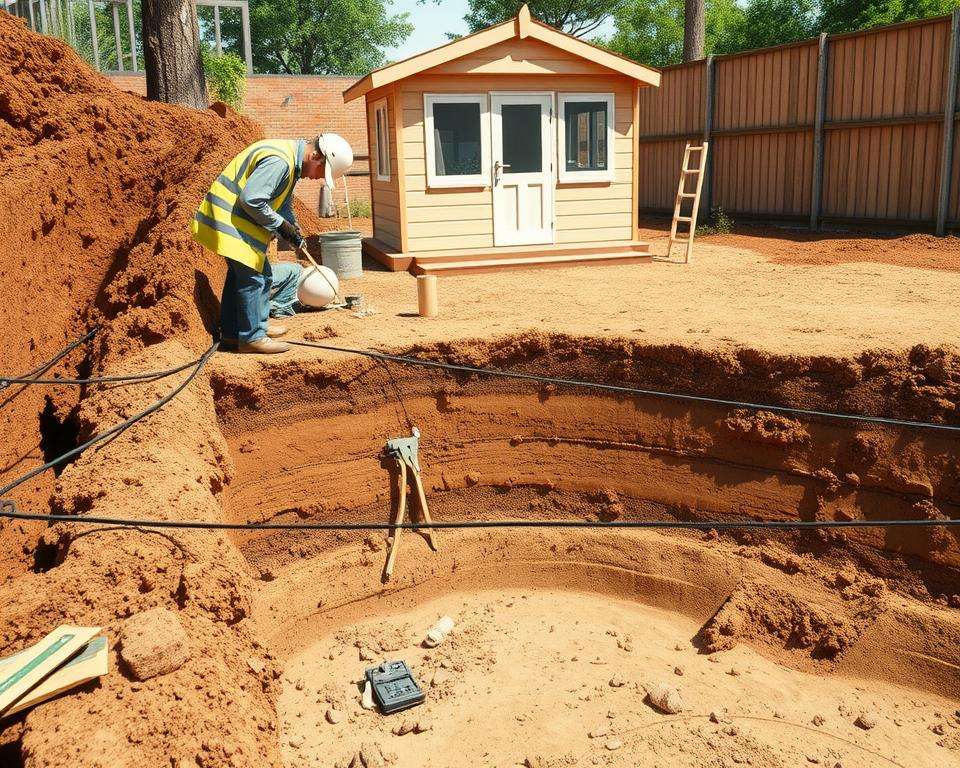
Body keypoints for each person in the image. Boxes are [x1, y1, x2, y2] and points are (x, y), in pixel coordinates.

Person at [192, 134, 353, 353]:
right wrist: (281, 225)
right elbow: (252, 199)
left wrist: (292, 229)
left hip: (234, 221)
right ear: (315, 155)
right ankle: (252, 337)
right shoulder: (280, 161)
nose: (317, 179)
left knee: (243, 276)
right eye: (321, 171)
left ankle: (233, 332)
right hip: (229, 220)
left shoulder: (290, 164)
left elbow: (282, 203)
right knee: (256, 277)